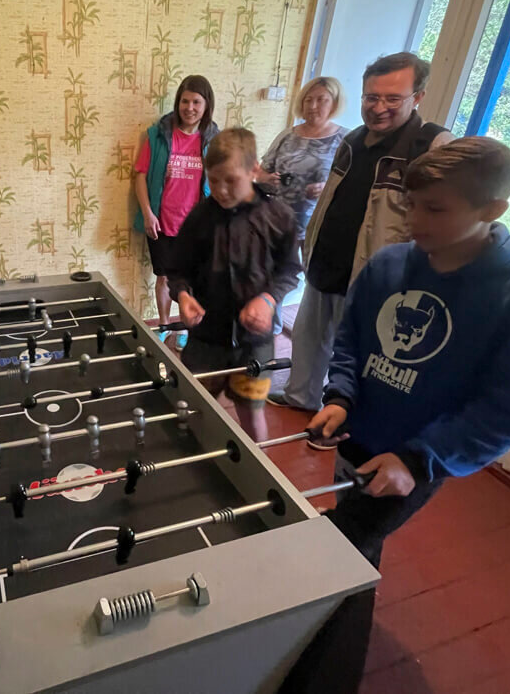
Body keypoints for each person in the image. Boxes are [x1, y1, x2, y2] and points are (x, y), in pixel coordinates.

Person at [279, 137, 510, 693]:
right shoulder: (388, 264)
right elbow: (352, 342)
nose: (413, 220)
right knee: (354, 545)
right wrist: (340, 396)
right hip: (357, 438)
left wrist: (419, 459)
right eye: (412, 204)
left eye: (435, 208)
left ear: (492, 211)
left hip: (415, 462)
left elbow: (502, 414)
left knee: (338, 551)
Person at [269, 52, 454, 418]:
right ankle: (300, 398)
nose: (379, 107)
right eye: (372, 97)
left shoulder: (432, 147)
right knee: (309, 339)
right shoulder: (353, 139)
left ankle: (344, 418)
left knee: (358, 355)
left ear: (417, 96)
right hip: (327, 262)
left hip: (377, 279)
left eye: (392, 98)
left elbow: (446, 223)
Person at [167, 129, 301, 440]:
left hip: (254, 344)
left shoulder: (279, 216)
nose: (222, 190)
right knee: (191, 410)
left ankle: (259, 481)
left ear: (254, 169)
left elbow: (291, 268)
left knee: (252, 414)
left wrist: (269, 299)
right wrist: (183, 295)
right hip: (205, 341)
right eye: (213, 181)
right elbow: (178, 270)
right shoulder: (200, 216)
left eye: (231, 180)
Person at [133, 75, 220, 348]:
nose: (190, 107)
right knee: (164, 277)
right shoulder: (157, 135)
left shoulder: (213, 140)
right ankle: (163, 323)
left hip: (196, 225)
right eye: (185, 101)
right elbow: (140, 176)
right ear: (177, 102)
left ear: (206, 106)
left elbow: (221, 179)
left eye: (196, 101)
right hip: (162, 221)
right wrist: (148, 213)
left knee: (191, 280)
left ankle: (183, 327)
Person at [259, 76, 348, 248]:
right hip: (278, 225)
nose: (313, 106)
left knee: (312, 274)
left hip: (320, 229)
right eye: (309, 100)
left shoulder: (345, 140)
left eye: (321, 100)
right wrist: (267, 179)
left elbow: (353, 187)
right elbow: (260, 173)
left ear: (334, 103)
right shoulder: (287, 135)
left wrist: (327, 189)